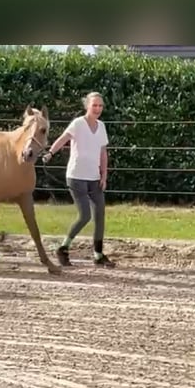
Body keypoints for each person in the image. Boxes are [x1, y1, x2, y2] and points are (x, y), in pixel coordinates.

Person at [41, 92, 115, 268]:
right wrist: (50, 153)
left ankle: (98, 254)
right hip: (76, 176)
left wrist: (104, 175)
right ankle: (63, 248)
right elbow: (63, 139)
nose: (97, 109)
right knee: (85, 215)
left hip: (94, 178)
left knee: (100, 214)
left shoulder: (102, 126)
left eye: (100, 106)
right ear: (87, 106)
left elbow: (103, 153)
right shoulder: (78, 124)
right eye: (94, 105)